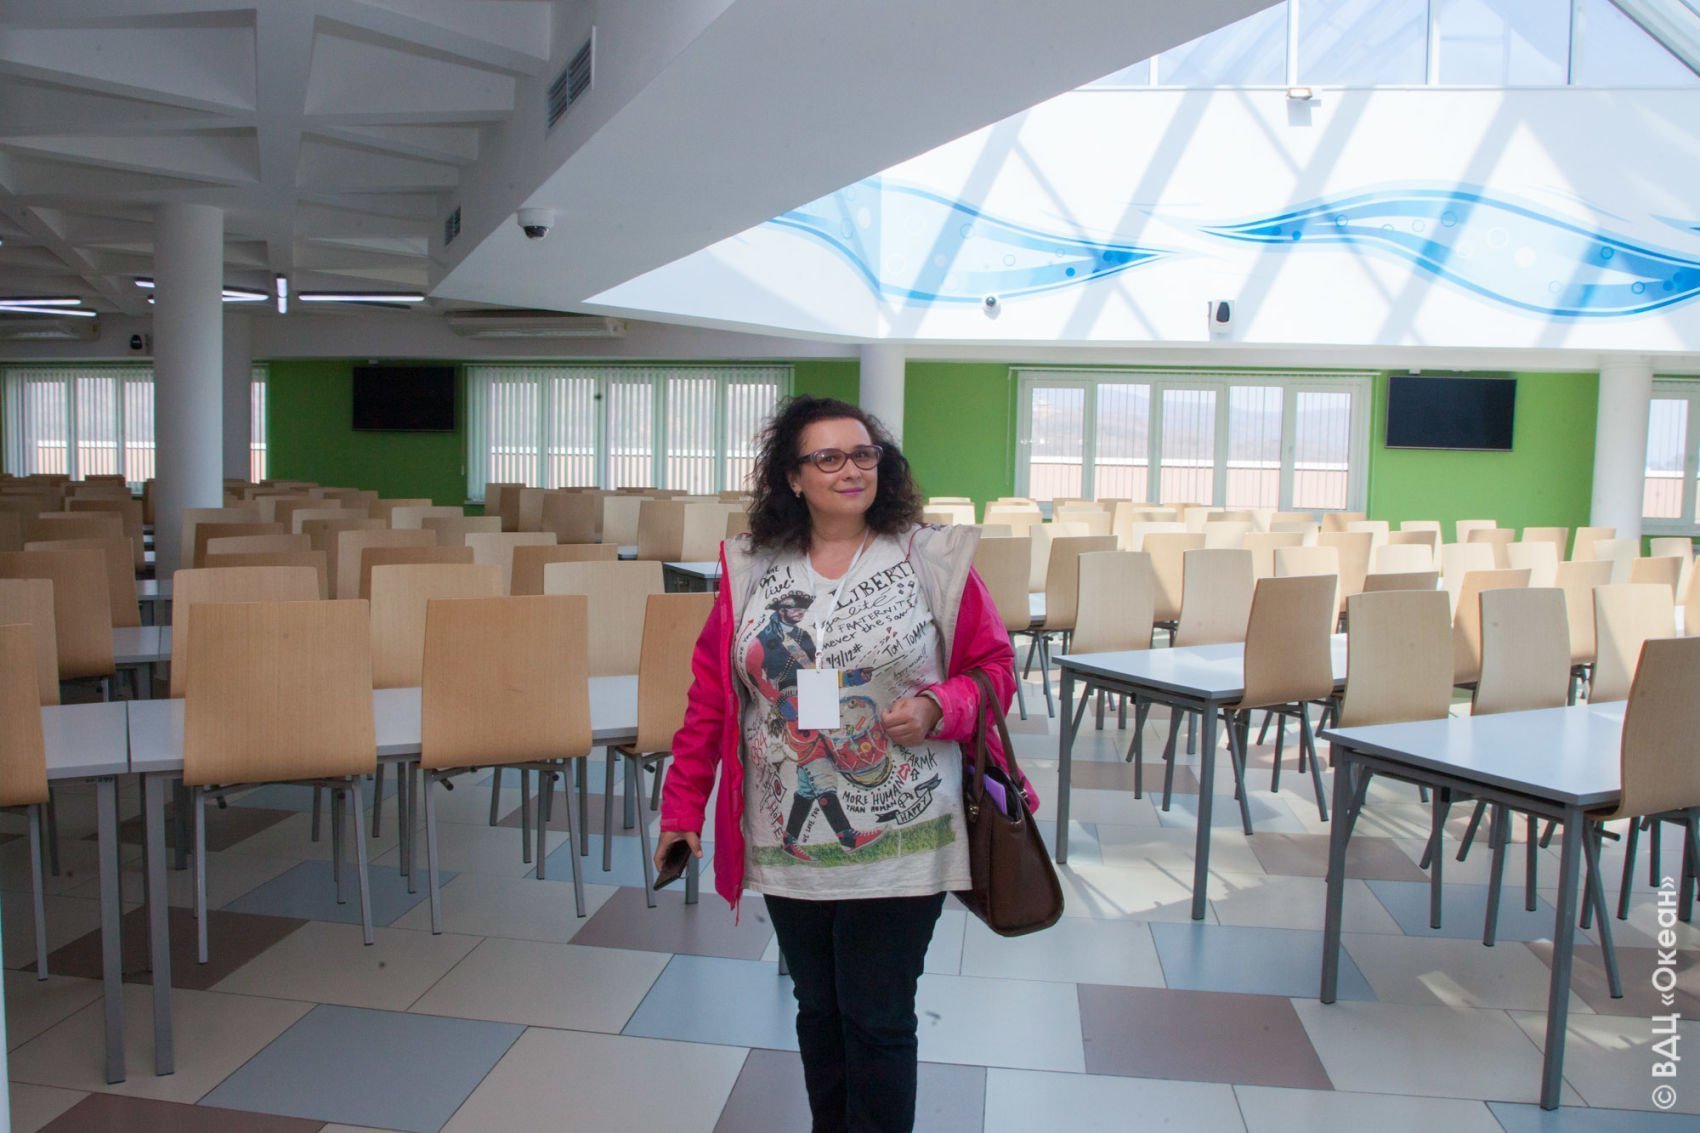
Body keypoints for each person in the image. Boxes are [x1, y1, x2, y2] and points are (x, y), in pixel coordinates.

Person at [656, 395, 1029, 1133]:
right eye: (827, 457)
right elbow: (710, 699)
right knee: (818, 1008)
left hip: (905, 831)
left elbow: (993, 669)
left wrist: (938, 707)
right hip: (786, 842)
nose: (850, 469)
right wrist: (681, 810)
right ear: (793, 477)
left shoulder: (928, 559)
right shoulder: (753, 568)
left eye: (863, 454)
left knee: (878, 1014)